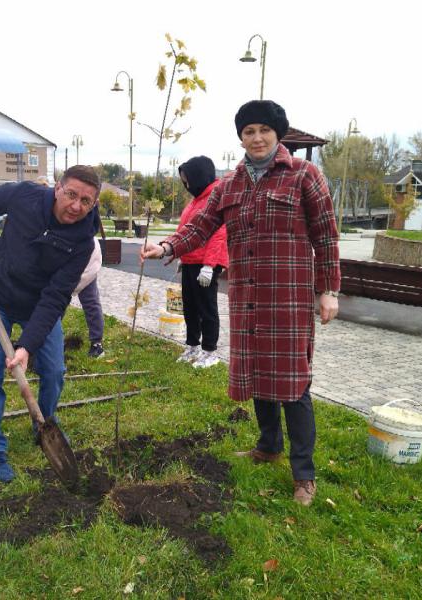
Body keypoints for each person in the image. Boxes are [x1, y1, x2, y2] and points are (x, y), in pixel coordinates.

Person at [141, 100, 340, 506]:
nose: (257, 137)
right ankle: (268, 446)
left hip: (288, 299)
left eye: (264, 130)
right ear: (241, 138)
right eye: (249, 131)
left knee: (293, 382)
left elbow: (326, 235)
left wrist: (328, 290)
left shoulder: (304, 175)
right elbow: (200, 227)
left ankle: (304, 474)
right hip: (247, 298)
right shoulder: (230, 184)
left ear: (278, 134)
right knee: (258, 373)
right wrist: (167, 246)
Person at [0, 165, 100, 483]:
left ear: (94, 204)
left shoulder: (83, 242)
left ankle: (44, 423)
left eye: (86, 201)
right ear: (57, 188)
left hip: (39, 306)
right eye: (71, 194)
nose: (76, 206)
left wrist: (26, 346)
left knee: (54, 370)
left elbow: (56, 297)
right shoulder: (25, 196)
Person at [35, 175, 106, 358]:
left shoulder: (79, 210)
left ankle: (97, 343)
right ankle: (48, 338)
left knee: (89, 301)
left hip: (87, 260)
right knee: (57, 299)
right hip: (65, 260)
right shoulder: (47, 210)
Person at [174, 156, 228, 368]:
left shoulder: (215, 199)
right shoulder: (195, 201)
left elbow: (219, 234)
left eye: (188, 180)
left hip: (205, 264)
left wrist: (209, 265)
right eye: (184, 181)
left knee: (207, 309)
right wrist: (181, 255)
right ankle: (193, 346)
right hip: (190, 260)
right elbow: (185, 230)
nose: (187, 185)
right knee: (190, 307)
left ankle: (210, 351)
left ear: (199, 177)